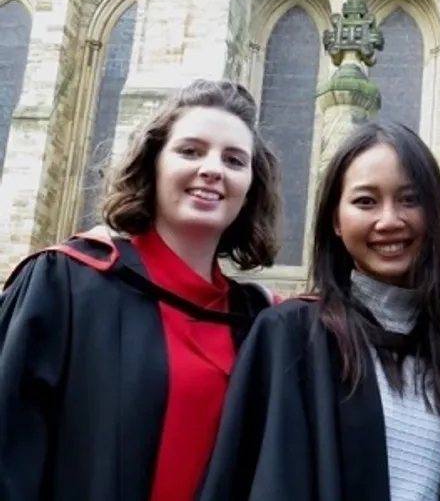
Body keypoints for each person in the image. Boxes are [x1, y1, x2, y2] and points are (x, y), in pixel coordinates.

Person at [0, 79, 283, 501]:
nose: (212, 169)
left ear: (250, 187)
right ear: (154, 164)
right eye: (190, 151)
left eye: (234, 160)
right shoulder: (68, 284)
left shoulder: (261, 323)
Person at [198, 121, 440, 501]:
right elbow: (239, 479)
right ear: (336, 221)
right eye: (365, 201)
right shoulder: (290, 336)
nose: (390, 220)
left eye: (410, 199)